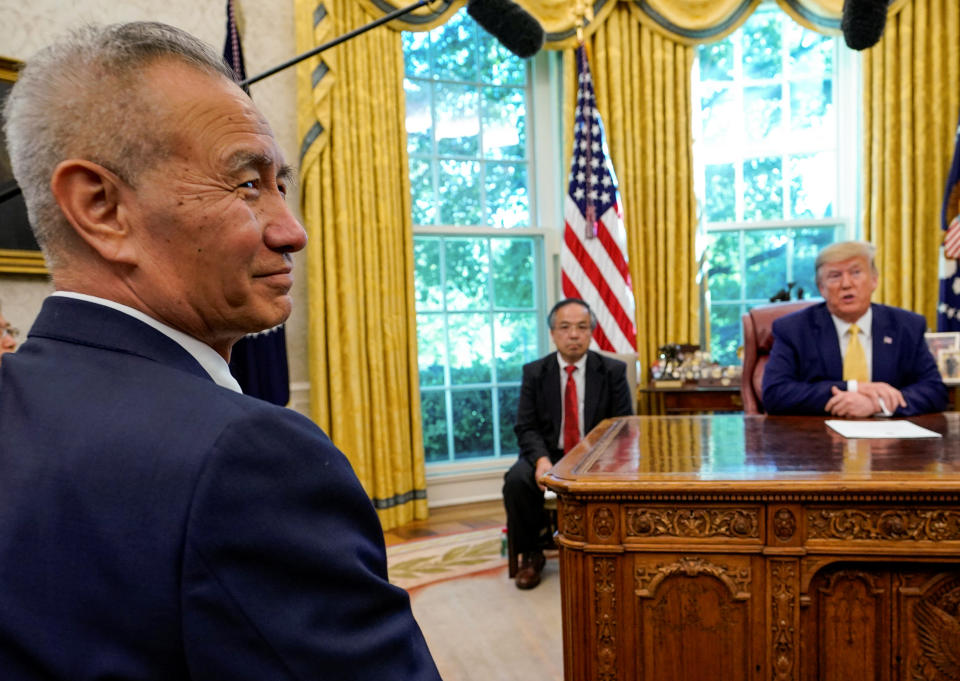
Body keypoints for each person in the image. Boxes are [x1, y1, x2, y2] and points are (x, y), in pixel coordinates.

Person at [0, 22, 440, 680]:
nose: (293, 231)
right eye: (245, 183)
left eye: (280, 184)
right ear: (102, 209)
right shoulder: (249, 458)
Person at [503, 298, 633, 589]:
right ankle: (532, 553)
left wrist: (601, 461)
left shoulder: (612, 371)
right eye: (565, 327)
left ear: (590, 332)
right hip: (549, 453)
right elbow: (526, 427)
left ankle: (610, 550)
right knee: (516, 481)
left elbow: (623, 427)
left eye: (581, 327)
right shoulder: (534, 373)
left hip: (598, 454)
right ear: (552, 333)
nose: (573, 334)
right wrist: (541, 461)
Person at [762, 240, 947, 417]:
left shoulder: (907, 326)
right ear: (821, 288)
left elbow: (934, 391)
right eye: (835, 276)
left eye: (856, 272)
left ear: (874, 280)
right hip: (818, 440)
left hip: (891, 440)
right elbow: (775, 394)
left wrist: (877, 404)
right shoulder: (793, 329)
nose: (846, 284)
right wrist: (852, 388)